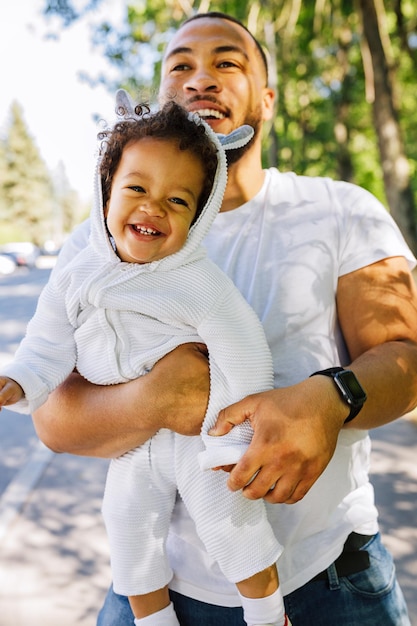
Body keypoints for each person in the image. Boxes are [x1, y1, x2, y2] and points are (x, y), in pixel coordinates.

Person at [32, 11, 417, 626]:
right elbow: (54, 420)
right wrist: (161, 396)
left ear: (266, 99)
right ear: (159, 100)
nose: (201, 77)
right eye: (180, 65)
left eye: (227, 62)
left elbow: (406, 357)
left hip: (327, 582)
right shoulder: (100, 240)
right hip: (151, 587)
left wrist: (329, 398)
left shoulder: (340, 209)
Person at [0, 93, 292, 626]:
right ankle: (153, 620)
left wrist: (232, 434)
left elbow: (244, 348)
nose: (154, 207)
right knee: (127, 523)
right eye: (137, 188)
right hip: (132, 438)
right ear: (104, 191)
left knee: (231, 516)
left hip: (197, 433)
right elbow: (46, 340)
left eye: (179, 201)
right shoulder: (77, 271)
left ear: (198, 217)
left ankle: (269, 615)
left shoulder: (196, 279)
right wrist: (19, 379)